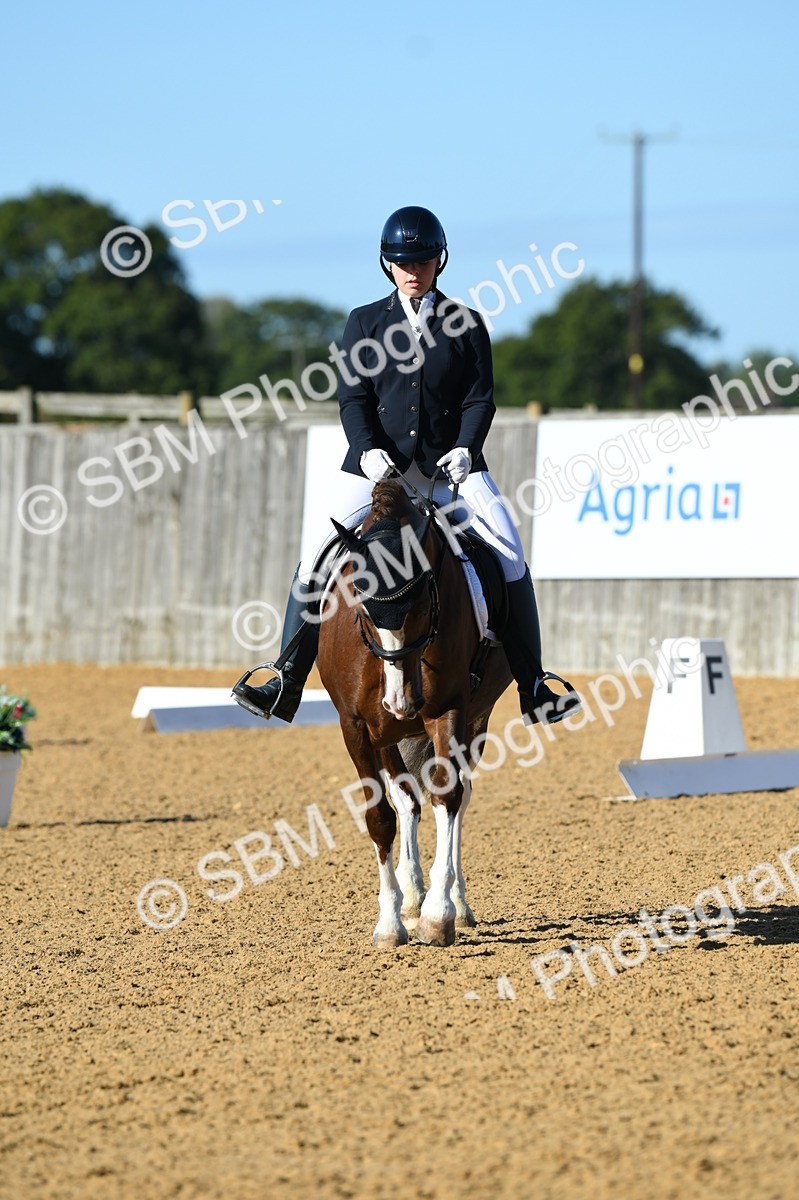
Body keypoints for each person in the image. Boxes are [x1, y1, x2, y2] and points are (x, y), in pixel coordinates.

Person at [233, 206, 581, 727]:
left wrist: (466, 448)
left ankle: (534, 684)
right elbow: (353, 398)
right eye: (403, 262)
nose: (413, 270)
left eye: (422, 260)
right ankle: (285, 677)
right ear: (387, 264)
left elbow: (479, 400)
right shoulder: (364, 322)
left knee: (510, 553)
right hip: (374, 472)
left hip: (452, 473)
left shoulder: (466, 323)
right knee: (313, 558)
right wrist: (366, 449)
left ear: (439, 261)